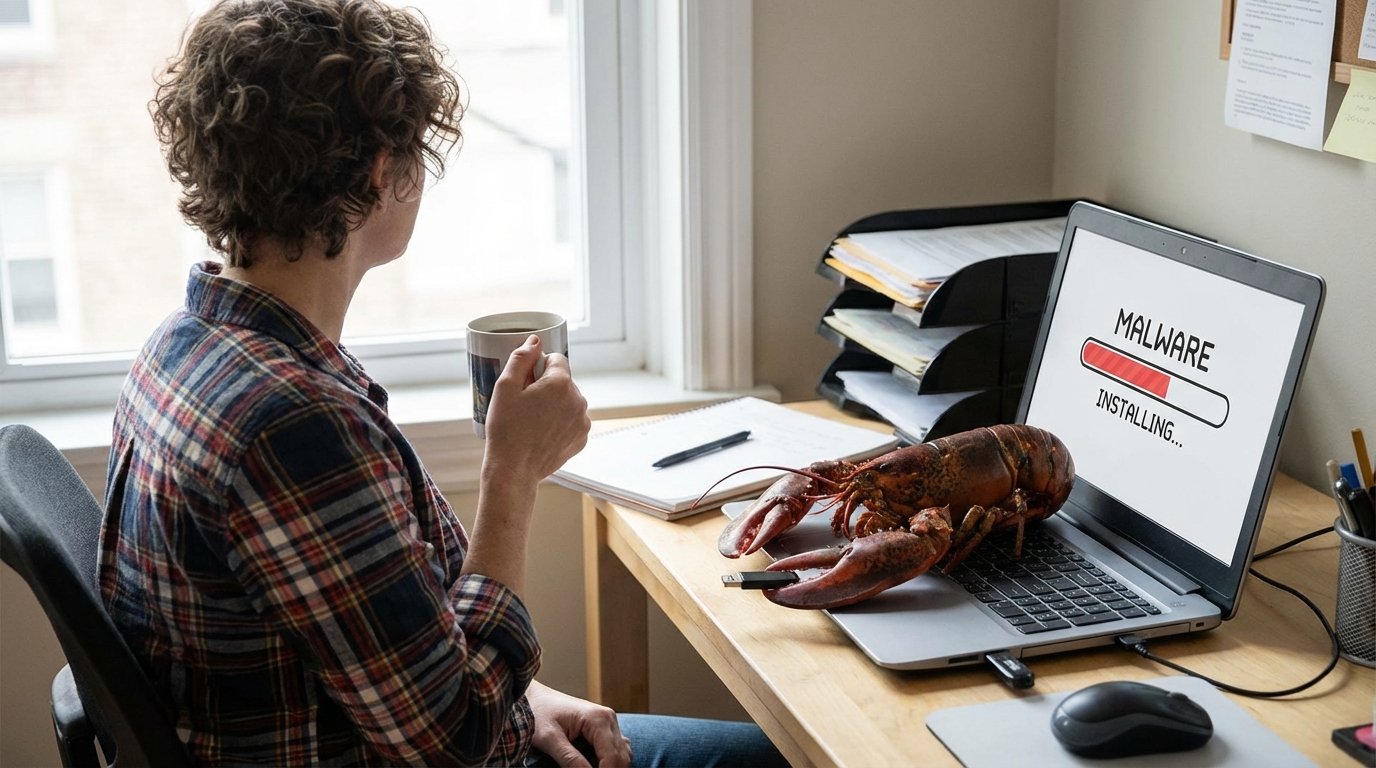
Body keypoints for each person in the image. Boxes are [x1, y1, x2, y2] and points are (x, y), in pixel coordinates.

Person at [98, 1, 788, 766]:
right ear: (382, 173)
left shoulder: (186, 346)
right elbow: (456, 743)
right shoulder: (293, 423)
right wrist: (512, 473)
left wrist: (523, 695)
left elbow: (392, 656)